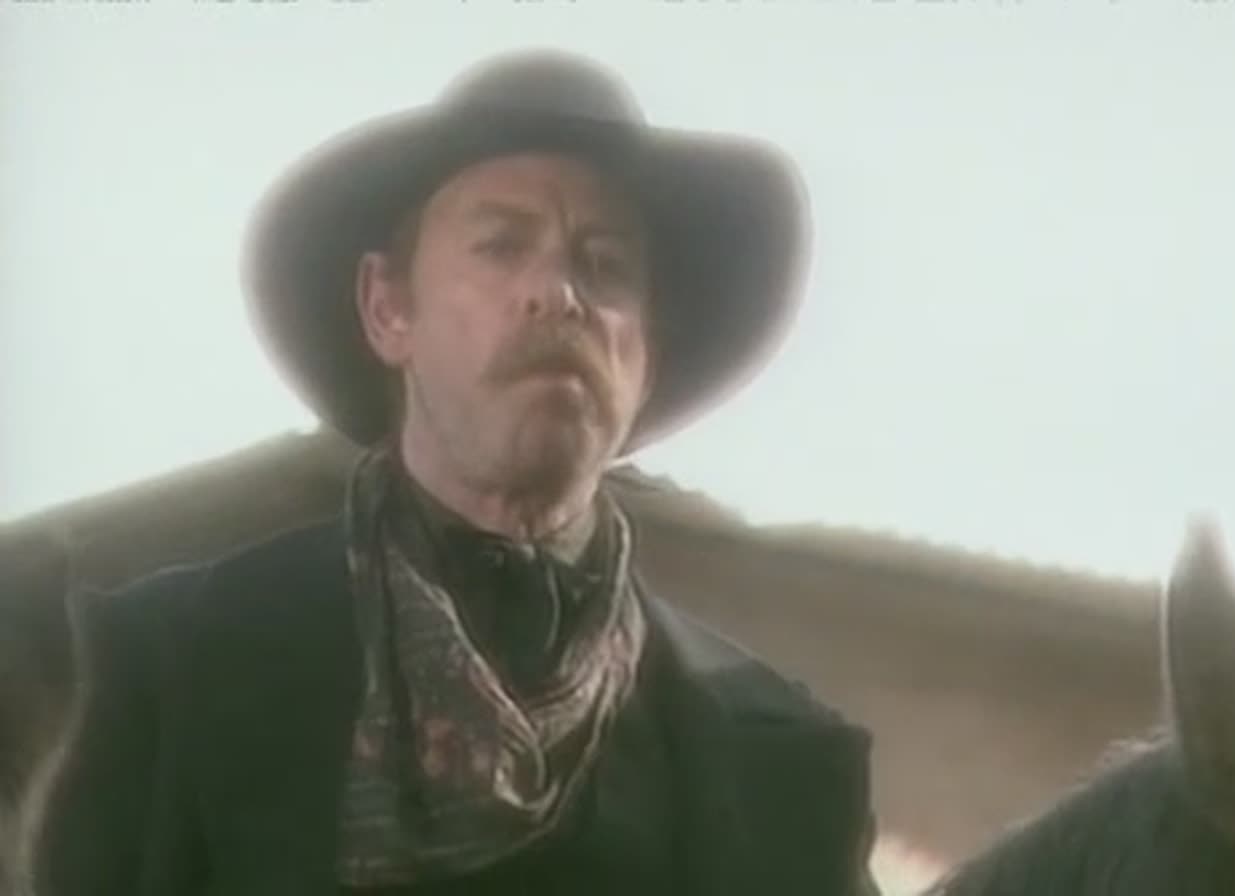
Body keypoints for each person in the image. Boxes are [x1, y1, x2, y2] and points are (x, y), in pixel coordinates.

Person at [35, 49, 883, 896]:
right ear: (387, 308)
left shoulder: (779, 762)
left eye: (605, 264)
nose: (558, 294)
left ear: (647, 354)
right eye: (501, 245)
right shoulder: (174, 669)